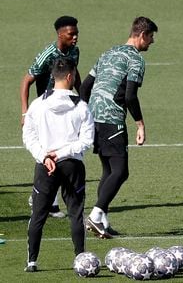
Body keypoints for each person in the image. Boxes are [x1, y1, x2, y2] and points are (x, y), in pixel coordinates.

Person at [80, 16, 157, 238]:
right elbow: (131, 96)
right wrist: (140, 124)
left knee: (109, 170)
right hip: (112, 120)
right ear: (142, 35)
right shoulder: (136, 60)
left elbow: (85, 88)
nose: (152, 42)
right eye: (151, 37)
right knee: (121, 171)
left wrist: (84, 115)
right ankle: (95, 214)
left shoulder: (108, 53)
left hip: (93, 119)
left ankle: (102, 220)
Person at [22, 57, 94, 272]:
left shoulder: (37, 105)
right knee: (75, 213)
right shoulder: (81, 106)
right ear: (70, 77)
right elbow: (86, 141)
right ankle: (80, 259)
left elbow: (28, 136)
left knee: (38, 214)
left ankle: (32, 262)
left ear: (53, 77)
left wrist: (45, 156)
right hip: (72, 165)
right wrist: (62, 153)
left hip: (45, 167)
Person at [20, 15, 82, 218]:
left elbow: (75, 73)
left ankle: (50, 202)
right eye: (71, 34)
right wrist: (25, 111)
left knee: (61, 151)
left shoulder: (74, 51)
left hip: (65, 106)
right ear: (60, 34)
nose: (75, 37)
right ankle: (42, 199)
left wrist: (81, 98)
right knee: (50, 151)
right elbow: (26, 81)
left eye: (76, 33)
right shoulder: (47, 54)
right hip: (47, 109)